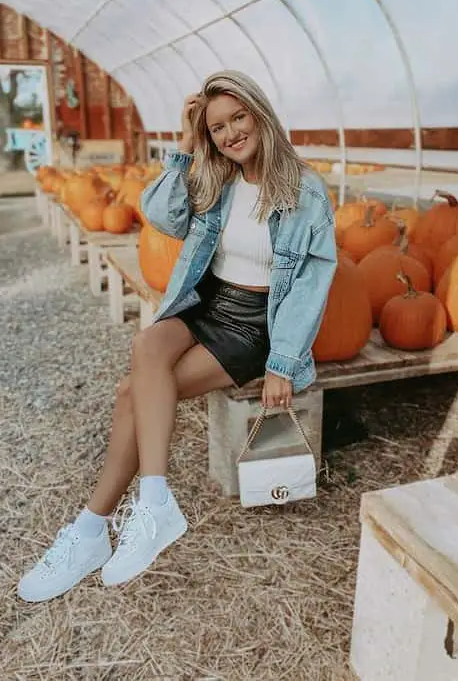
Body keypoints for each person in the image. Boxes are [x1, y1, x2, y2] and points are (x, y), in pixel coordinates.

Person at [17, 70, 337, 603]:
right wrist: (186, 147)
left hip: (258, 322)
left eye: (238, 118)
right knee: (147, 346)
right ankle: (152, 501)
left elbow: (311, 281)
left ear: (260, 114)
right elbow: (162, 217)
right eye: (216, 127)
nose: (231, 133)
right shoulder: (216, 177)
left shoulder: (305, 190)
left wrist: (282, 360)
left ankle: (92, 530)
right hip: (206, 301)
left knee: (130, 396)